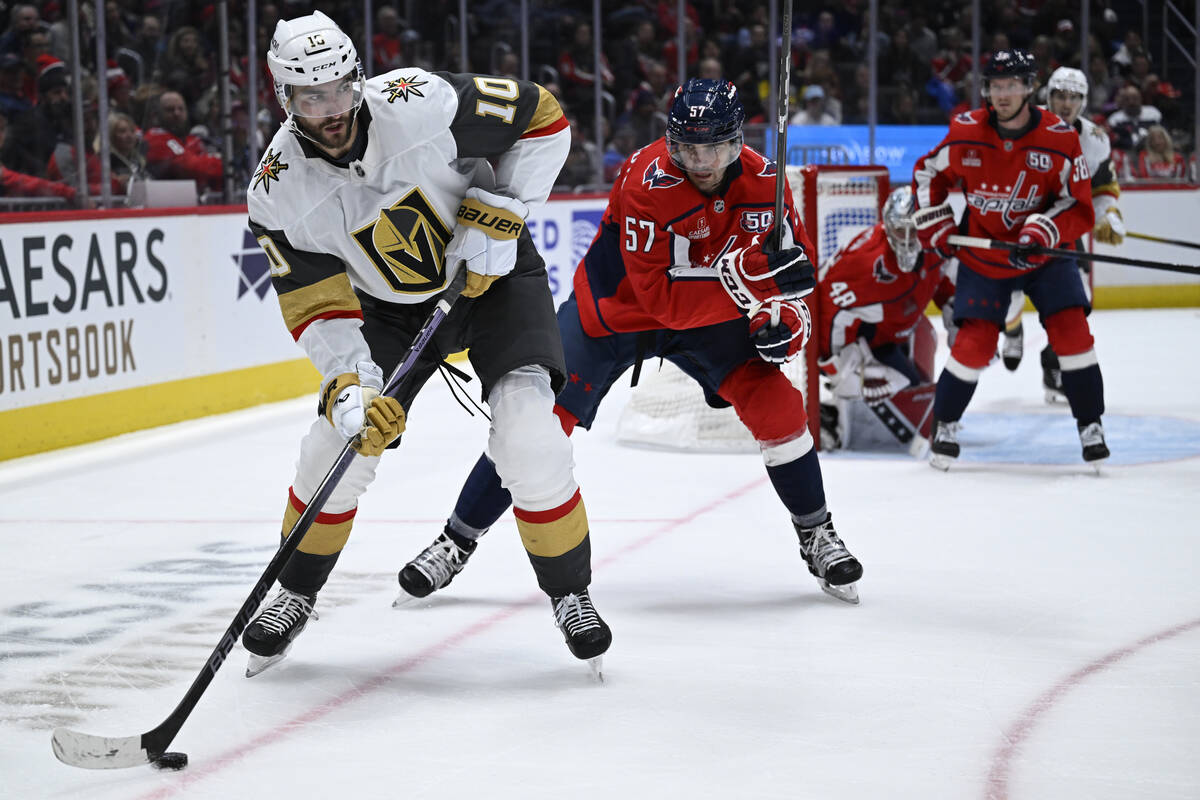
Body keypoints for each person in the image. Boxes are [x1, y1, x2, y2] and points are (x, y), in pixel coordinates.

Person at [395, 78, 864, 607]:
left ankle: (815, 531)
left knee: (779, 407)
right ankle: (454, 541)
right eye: (687, 145)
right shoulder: (646, 178)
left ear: (738, 141)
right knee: (535, 428)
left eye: (714, 145)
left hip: (713, 320)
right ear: (670, 141)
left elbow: (795, 286)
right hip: (616, 314)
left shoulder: (768, 186)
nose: (701, 159)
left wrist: (782, 324)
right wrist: (751, 284)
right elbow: (661, 302)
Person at [241, 11, 609, 677]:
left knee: (528, 432)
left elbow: (543, 116)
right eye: (311, 96)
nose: (332, 110)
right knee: (335, 444)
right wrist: (350, 389)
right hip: (387, 314)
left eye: (342, 88)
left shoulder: (417, 99)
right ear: (283, 98)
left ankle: (571, 592)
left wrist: (503, 214)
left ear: (359, 79)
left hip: (493, 274)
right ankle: (296, 592)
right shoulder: (276, 191)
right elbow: (320, 308)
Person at [912, 49, 1106, 470]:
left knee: (1072, 335)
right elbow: (929, 174)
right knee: (973, 344)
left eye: (1012, 85)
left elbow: (1077, 203)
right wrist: (936, 221)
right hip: (986, 254)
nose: (1003, 94)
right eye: (996, 86)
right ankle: (944, 424)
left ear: (1029, 88)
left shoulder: (1059, 136)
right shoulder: (965, 131)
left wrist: (1044, 229)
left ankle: (1090, 424)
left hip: (1045, 256)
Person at [998, 67, 1124, 404]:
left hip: (1062, 228)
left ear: (1082, 101)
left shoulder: (1094, 140)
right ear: (1047, 97)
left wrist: (1108, 214)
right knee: (1008, 296)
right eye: (1059, 95)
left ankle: (1053, 367)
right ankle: (1012, 329)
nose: (1066, 103)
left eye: (1073, 97)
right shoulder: (1022, 126)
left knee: (1075, 302)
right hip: (1018, 224)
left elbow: (1102, 188)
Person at [815, 186, 954, 450]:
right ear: (888, 228)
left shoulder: (937, 244)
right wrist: (839, 366)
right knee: (911, 401)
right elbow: (827, 309)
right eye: (902, 231)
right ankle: (831, 416)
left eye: (916, 231)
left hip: (902, 323)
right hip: (865, 340)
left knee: (922, 367)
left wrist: (957, 314)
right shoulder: (864, 265)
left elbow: (941, 277)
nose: (908, 240)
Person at [143, 89, 224, 190]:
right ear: (157, 115)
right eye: (170, 109)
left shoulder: (190, 139)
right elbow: (191, 168)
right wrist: (224, 164)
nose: (177, 113)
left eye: (181, 109)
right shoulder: (155, 138)